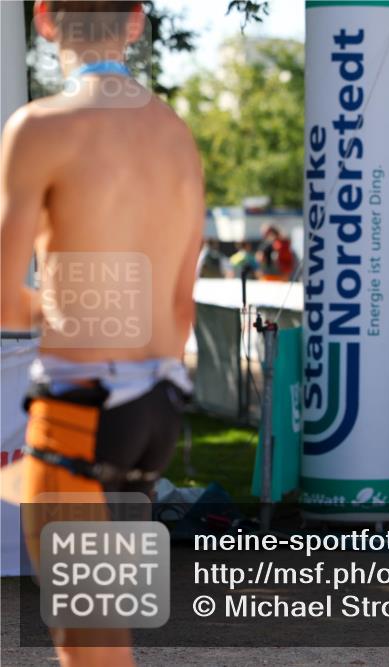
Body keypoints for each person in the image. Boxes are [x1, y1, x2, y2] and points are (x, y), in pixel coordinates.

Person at [0, 2, 202, 665]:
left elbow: (6, 298)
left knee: (90, 649)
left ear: (46, 20)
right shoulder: (175, 134)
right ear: (137, 21)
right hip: (152, 414)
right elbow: (179, 302)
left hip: (80, 408)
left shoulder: (39, 127)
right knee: (107, 632)